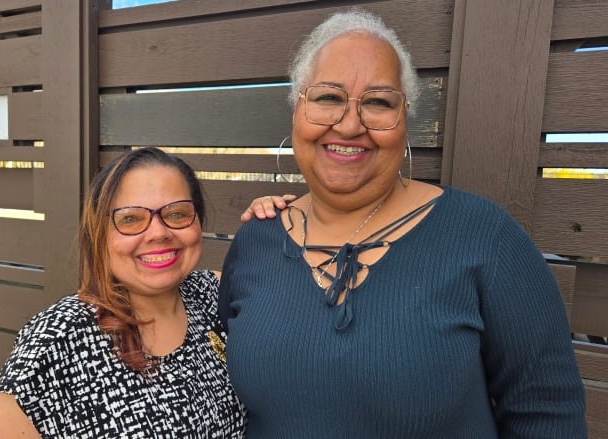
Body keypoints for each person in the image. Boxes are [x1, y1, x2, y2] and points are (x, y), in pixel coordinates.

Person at [220, 8, 587, 439]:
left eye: (378, 102)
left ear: (405, 120)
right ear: (297, 109)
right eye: (327, 97)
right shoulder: (256, 240)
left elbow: (546, 413)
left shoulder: (487, 238)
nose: (350, 123)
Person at [0, 147, 290, 438]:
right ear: (99, 232)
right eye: (130, 219)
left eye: (177, 213)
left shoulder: (215, 296)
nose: (159, 232)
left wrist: (276, 227)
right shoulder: (56, 339)